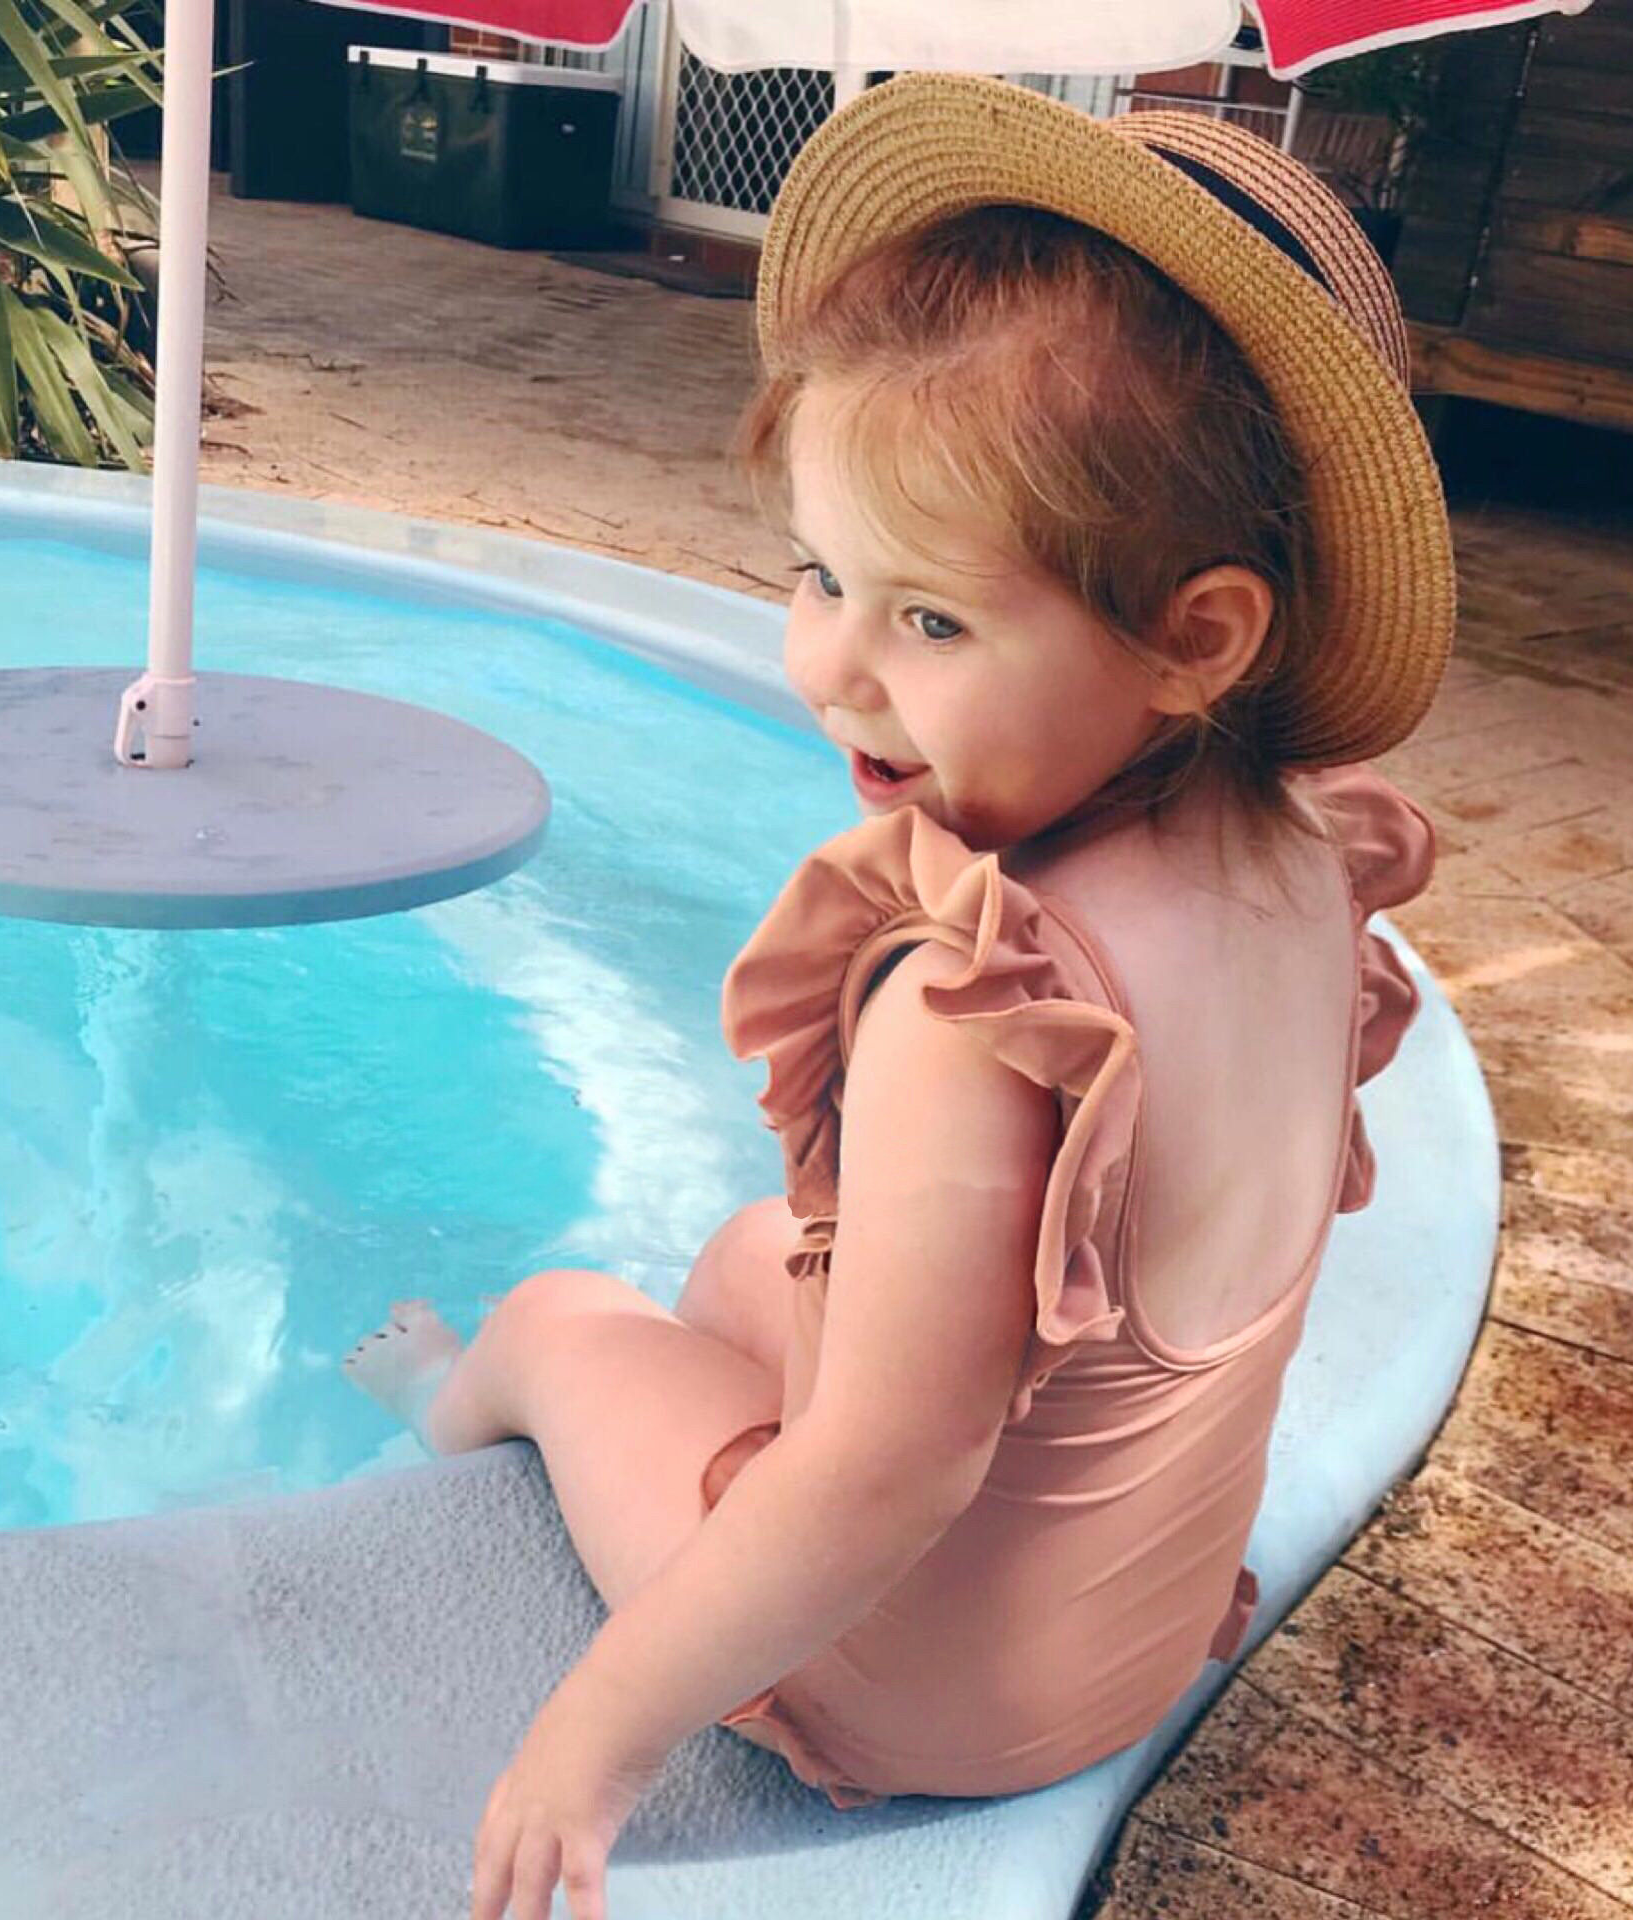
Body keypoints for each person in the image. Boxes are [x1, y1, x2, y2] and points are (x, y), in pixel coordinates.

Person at [345, 72, 1451, 1920]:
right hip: (1146, 1622)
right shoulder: (1304, 866)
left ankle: (449, 1408)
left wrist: (591, 1743)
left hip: (925, 1693)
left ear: (1197, 638)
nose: (828, 671)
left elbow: (887, 1478)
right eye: (818, 576)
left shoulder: (978, 1003)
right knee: (745, 1263)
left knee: (561, 1316)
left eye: (930, 621)